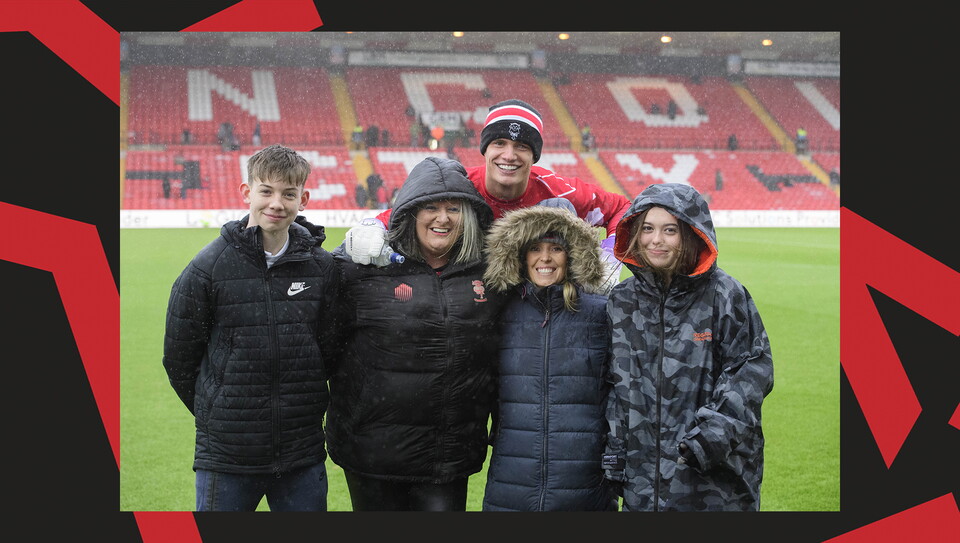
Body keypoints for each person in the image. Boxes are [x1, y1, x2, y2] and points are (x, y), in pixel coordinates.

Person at [161, 144, 340, 511]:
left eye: (288, 194)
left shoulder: (322, 269)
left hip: (300, 454)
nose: (277, 203)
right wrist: (219, 413)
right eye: (266, 191)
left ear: (303, 199)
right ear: (247, 192)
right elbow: (179, 358)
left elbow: (334, 351)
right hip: (227, 456)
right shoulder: (208, 267)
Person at [325, 156, 508, 511]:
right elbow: (325, 347)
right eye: (431, 207)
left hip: (447, 457)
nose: (443, 218)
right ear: (409, 212)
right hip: (371, 454)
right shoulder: (362, 266)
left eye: (453, 207)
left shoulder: (492, 273)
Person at [602, 182, 774, 512]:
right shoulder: (621, 301)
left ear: (692, 233)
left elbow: (752, 369)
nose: (656, 240)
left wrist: (710, 437)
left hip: (712, 480)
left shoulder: (725, 295)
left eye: (670, 230)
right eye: (648, 229)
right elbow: (613, 386)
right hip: (641, 483)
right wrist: (615, 451)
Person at [343, 98, 631, 293]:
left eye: (521, 147)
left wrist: (610, 253)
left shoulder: (559, 190)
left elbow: (624, 209)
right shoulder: (459, 185)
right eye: (499, 143)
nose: (509, 155)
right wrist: (376, 225)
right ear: (485, 148)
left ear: (534, 155)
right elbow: (410, 211)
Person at [481, 205, 618, 512]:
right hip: (511, 482)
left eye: (555, 248)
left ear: (573, 254)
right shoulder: (500, 311)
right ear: (520, 254)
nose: (544, 258)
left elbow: (619, 392)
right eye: (535, 248)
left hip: (584, 484)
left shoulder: (601, 313)